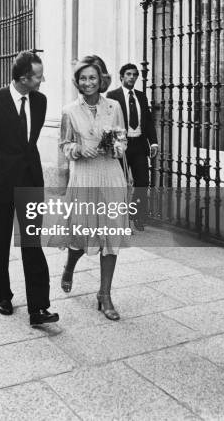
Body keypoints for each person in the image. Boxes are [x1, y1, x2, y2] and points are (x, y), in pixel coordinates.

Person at [0, 51, 59, 327]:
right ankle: (2, 295)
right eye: (38, 76)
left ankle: (39, 307)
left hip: (30, 180)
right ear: (23, 78)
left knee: (32, 242)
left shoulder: (41, 101)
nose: (42, 79)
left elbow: (29, 141)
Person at [57, 55, 130, 321]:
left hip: (111, 176)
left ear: (102, 80)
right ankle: (69, 266)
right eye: (83, 78)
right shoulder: (69, 111)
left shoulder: (114, 107)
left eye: (93, 78)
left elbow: (122, 139)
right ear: (77, 81)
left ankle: (105, 294)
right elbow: (63, 145)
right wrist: (77, 148)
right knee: (81, 236)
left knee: (110, 239)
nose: (88, 83)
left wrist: (117, 146)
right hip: (85, 177)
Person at [107, 63, 158, 230]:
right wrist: (112, 145)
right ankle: (118, 219)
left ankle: (137, 216)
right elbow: (109, 122)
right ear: (122, 76)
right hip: (122, 146)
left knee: (142, 182)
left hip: (139, 145)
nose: (132, 77)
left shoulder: (141, 96)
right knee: (119, 183)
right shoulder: (112, 96)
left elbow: (149, 122)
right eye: (128, 74)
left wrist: (154, 142)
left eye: (134, 75)